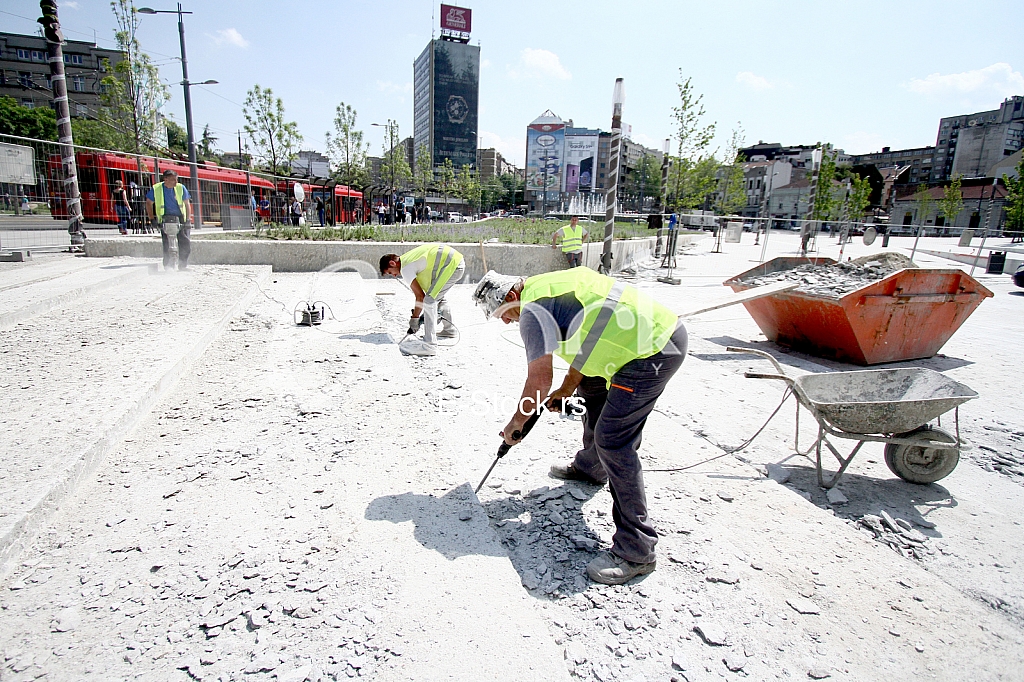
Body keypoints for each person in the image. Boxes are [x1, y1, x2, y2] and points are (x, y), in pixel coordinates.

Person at [472, 267, 687, 585]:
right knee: (592, 385)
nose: (505, 321)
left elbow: (539, 381)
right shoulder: (546, 289)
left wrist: (516, 423)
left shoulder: (531, 311)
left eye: (502, 313)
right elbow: (591, 336)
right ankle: (592, 469)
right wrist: (567, 387)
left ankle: (637, 551)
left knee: (614, 440)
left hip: (653, 351)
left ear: (512, 296)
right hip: (646, 338)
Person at [379, 244, 465, 357]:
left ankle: (429, 345)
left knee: (429, 301)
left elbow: (420, 297)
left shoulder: (405, 268)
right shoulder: (408, 259)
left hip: (452, 264)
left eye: (390, 272)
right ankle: (449, 330)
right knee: (436, 297)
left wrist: (414, 319)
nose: (394, 275)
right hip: (455, 262)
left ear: (392, 263)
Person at [146, 169, 192, 271]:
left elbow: (187, 203)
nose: (176, 182)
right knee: (167, 243)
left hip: (181, 218)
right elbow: (149, 203)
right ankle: (168, 265)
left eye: (176, 179)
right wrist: (152, 219)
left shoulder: (180, 188)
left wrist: (188, 219)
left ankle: (182, 265)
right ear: (165, 179)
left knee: (185, 243)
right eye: (173, 180)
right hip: (165, 218)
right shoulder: (157, 188)